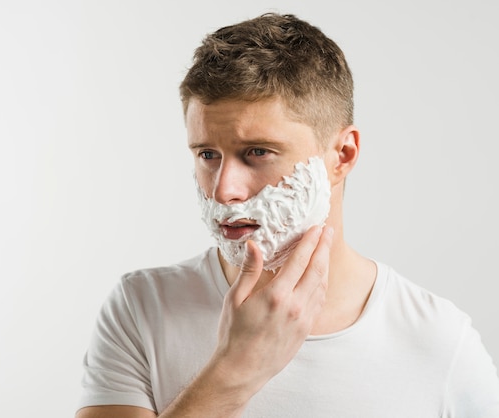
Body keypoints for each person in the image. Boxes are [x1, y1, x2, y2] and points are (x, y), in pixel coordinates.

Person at [75, 13, 499, 417]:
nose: (224, 190)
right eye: (207, 154)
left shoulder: (439, 342)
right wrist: (234, 372)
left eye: (257, 152)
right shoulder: (143, 309)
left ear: (343, 154)